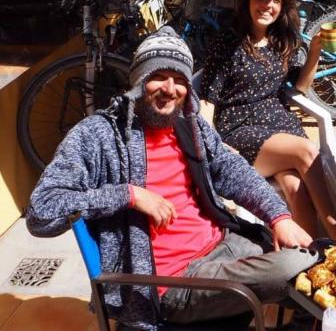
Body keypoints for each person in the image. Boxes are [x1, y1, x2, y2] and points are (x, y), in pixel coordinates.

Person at [26, 27, 318, 331]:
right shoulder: (97, 135)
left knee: (318, 256)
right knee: (295, 267)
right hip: (171, 281)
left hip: (222, 245)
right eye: (158, 76)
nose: (170, 89)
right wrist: (129, 195)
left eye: (179, 80)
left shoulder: (188, 125)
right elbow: (41, 212)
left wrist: (279, 216)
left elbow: (233, 170)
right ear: (138, 80)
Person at [199, 0, 336, 240]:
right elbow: (207, 100)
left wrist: (315, 53)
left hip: (278, 125)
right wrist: (214, 148)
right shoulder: (227, 42)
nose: (267, 5)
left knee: (295, 187)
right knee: (307, 151)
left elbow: (300, 87)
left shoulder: (280, 41)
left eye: (275, 0)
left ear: (282, 6)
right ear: (247, 1)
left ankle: (308, 255)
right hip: (239, 130)